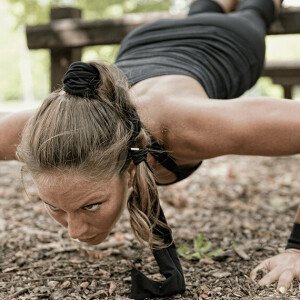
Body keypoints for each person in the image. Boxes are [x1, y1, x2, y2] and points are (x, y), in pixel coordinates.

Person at [1, 0, 300, 298]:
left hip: (226, 41)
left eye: (90, 205)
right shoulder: (49, 133)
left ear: (130, 170)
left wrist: (296, 248)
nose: (74, 232)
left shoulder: (187, 128)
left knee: (255, 10)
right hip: (146, 40)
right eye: (54, 206)